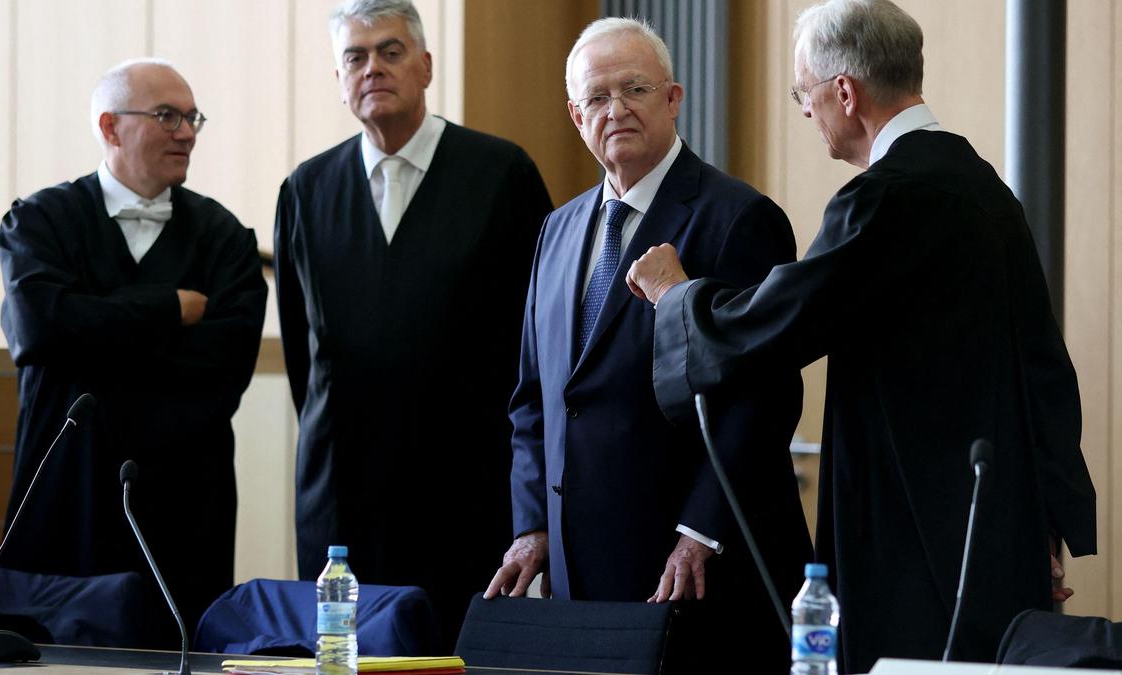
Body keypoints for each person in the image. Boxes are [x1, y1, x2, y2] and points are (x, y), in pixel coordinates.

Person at [626, 0, 1097, 670]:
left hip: (911, 530)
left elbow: (782, 319)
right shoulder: (987, 189)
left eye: (803, 94)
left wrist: (677, 297)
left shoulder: (889, 195)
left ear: (844, 91)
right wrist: (1042, 522)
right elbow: (1046, 370)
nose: (806, 111)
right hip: (991, 526)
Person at [483, 17, 812, 669]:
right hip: (580, 574)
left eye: (635, 88)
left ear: (673, 98)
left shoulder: (738, 219)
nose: (617, 109)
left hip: (692, 570)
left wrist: (700, 531)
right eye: (598, 97)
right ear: (576, 115)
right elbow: (534, 399)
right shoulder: (556, 229)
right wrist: (532, 523)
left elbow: (765, 399)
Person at [274, 0, 552, 648]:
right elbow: (301, 350)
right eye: (355, 56)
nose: (373, 68)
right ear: (339, 79)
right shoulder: (306, 190)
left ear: (426, 66)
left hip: (467, 494)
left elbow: (536, 344)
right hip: (341, 500)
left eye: (391, 51)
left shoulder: (500, 174)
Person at [0, 58, 267, 643]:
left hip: (185, 501)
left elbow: (223, 371)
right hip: (66, 488)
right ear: (110, 127)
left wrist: (91, 332)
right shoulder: (39, 222)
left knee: (181, 647)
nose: (188, 131)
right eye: (167, 115)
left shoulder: (226, 240)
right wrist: (167, 309)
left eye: (193, 117)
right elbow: (40, 331)